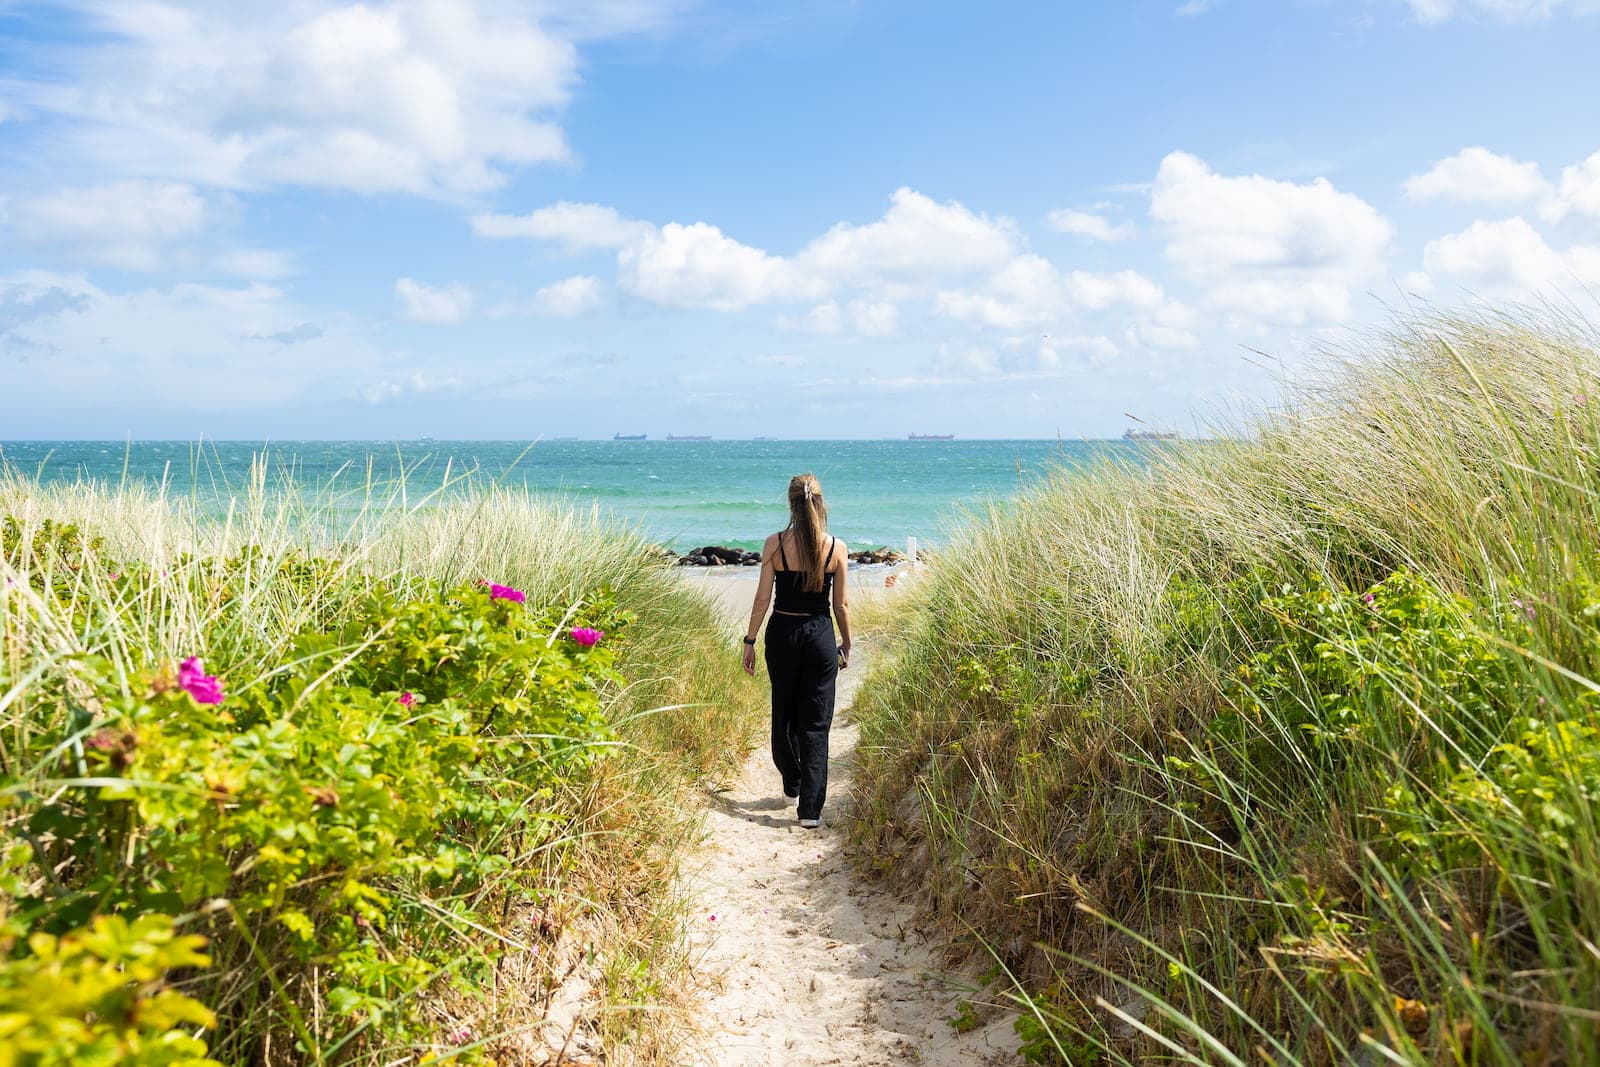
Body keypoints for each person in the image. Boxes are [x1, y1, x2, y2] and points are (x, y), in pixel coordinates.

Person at [741, 473, 851, 828]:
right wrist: (846, 642)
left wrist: (750, 639)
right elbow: (841, 606)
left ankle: (792, 777)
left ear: (791, 503)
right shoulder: (836, 547)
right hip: (819, 636)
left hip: (782, 632)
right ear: (821, 503)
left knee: (783, 711)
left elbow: (762, 598)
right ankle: (810, 810)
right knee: (816, 723)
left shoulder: (774, 543)